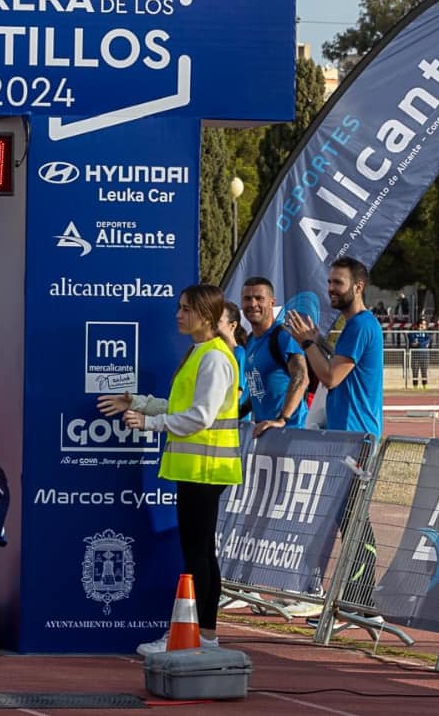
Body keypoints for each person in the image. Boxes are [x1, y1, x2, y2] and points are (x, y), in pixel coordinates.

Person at [97, 284, 240, 655]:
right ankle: (203, 636)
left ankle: (191, 636)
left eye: (186, 309)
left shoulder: (213, 358)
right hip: (197, 469)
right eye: (179, 307)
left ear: (206, 316)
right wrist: (140, 403)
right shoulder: (200, 353)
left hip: (205, 470)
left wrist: (148, 425)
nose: (178, 314)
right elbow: (180, 404)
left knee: (197, 556)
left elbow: (200, 416)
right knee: (201, 553)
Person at [285, 257, 384, 626]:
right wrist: (318, 341)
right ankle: (359, 603)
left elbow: (329, 377)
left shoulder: (361, 325)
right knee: (349, 520)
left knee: (356, 521)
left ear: (358, 286)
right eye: (329, 282)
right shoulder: (354, 327)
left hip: (357, 440)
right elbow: (337, 364)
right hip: (345, 438)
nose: (331, 289)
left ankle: (362, 605)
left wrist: (309, 342)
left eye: (337, 283)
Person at [240, 277, 309, 435]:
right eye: (247, 299)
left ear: (272, 302)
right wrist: (239, 412)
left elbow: (301, 377)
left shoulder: (283, 335)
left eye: (259, 298)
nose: (252, 304)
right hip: (264, 431)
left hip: (289, 432)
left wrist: (282, 419)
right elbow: (258, 390)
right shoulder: (250, 341)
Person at [408, 318, 432, 390]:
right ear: (419, 325)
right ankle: (415, 386)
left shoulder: (427, 333)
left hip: (425, 355)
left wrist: (419, 343)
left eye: (425, 324)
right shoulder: (413, 332)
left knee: (424, 371)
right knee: (415, 371)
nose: (424, 326)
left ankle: (425, 385)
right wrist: (422, 344)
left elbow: (428, 340)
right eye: (422, 324)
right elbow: (412, 342)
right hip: (415, 355)